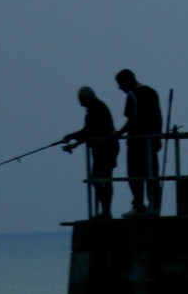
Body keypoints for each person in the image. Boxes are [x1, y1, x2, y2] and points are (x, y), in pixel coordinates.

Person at [62, 86, 118, 219]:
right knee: (99, 179)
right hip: (102, 148)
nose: (80, 103)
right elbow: (89, 133)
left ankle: (105, 211)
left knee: (103, 179)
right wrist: (74, 144)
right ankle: (104, 211)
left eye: (81, 99)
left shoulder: (96, 109)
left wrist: (70, 137)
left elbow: (88, 132)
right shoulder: (95, 108)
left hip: (106, 149)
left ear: (87, 98)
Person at [115, 69, 163, 215]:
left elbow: (132, 120)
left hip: (136, 142)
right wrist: (157, 137)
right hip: (151, 141)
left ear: (126, 81)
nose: (119, 88)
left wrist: (118, 133)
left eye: (120, 84)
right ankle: (154, 207)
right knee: (152, 175)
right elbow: (158, 117)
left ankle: (138, 206)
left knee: (134, 175)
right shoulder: (152, 92)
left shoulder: (132, 94)